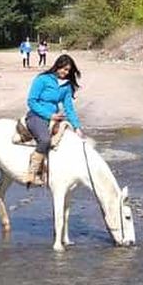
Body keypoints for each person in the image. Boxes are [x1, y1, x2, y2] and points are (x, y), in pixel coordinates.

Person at [25, 53, 84, 186]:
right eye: (64, 69)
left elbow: (69, 108)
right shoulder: (42, 79)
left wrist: (77, 127)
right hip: (36, 115)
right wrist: (49, 115)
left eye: (68, 70)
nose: (66, 72)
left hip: (55, 118)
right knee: (45, 140)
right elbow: (31, 101)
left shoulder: (66, 86)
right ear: (57, 66)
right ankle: (32, 173)